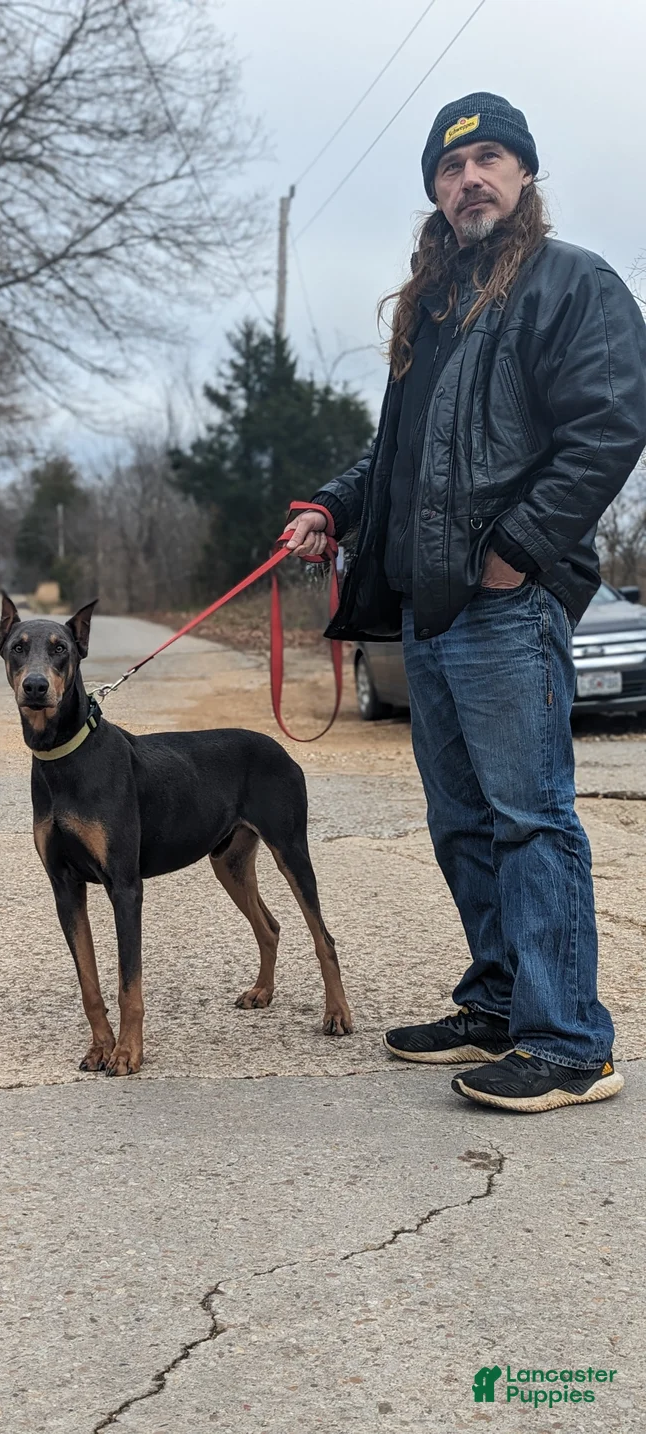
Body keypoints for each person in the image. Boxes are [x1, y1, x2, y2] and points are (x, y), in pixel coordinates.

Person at [285, 93, 646, 1114]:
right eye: (451, 169)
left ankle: (570, 1042)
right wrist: (333, 507)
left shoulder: (568, 282)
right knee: (463, 822)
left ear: (524, 174)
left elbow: (610, 428)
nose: (469, 179)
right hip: (424, 605)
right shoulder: (435, 305)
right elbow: (397, 457)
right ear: (435, 192)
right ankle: (500, 1003)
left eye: (489, 159)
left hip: (502, 603)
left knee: (531, 820)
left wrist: (515, 556)